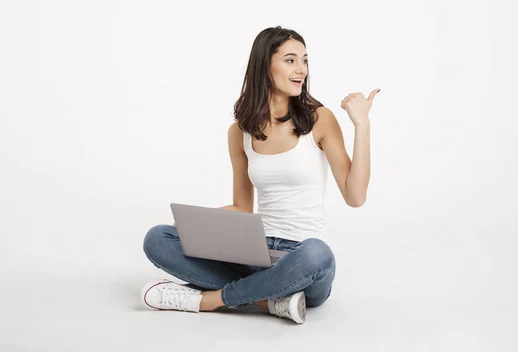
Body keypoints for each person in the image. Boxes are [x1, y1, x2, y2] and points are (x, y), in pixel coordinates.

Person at [140, 26, 379, 324]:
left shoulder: (320, 119)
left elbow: (355, 197)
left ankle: (210, 300)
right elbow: (242, 207)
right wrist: (194, 224)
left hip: (301, 261)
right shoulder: (239, 132)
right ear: (265, 66)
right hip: (255, 255)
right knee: (158, 238)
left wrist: (362, 125)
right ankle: (270, 301)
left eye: (304, 60)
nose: (301, 69)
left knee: (318, 253)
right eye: (291, 60)